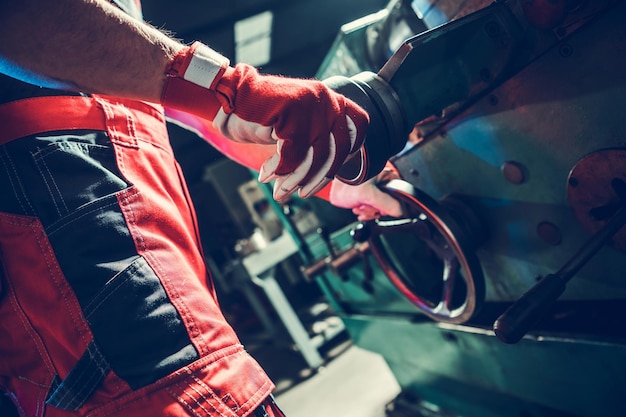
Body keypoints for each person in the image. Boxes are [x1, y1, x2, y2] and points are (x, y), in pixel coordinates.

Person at [0, 1, 401, 416]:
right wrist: (229, 88)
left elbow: (203, 114)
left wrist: (336, 186)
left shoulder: (117, 58)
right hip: (106, 339)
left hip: (163, 326)